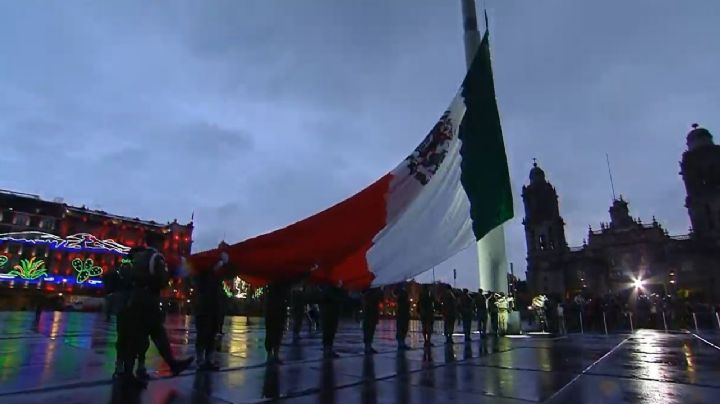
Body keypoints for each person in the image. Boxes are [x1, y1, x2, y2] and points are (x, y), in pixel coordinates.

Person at [124, 234, 194, 386]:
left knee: (138, 336)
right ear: (156, 242)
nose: (164, 246)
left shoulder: (138, 257)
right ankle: (173, 365)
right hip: (149, 300)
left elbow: (130, 276)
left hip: (135, 298)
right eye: (162, 242)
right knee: (157, 333)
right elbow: (161, 281)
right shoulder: (156, 257)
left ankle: (128, 370)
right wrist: (173, 273)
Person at [192, 245, 231, 371]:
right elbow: (210, 274)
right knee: (203, 334)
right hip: (204, 307)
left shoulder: (213, 275)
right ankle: (200, 359)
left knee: (211, 335)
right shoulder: (203, 273)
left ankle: (207, 359)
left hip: (212, 306)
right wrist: (220, 262)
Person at [264, 280, 292, 363]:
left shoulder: (275, 282)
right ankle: (273, 354)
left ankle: (272, 354)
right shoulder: (281, 283)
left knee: (274, 331)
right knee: (275, 331)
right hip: (276, 308)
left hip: (276, 308)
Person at [321, 281, 345, 358]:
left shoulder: (336, 286)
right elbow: (328, 296)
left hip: (334, 310)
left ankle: (329, 348)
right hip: (329, 311)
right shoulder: (328, 287)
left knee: (332, 330)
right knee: (328, 330)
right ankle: (327, 349)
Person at [362, 287, 383, 353]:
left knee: (371, 330)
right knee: (369, 330)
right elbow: (378, 297)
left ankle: (368, 346)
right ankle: (367, 347)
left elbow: (381, 298)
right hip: (370, 314)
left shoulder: (370, 292)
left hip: (371, 314)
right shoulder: (369, 293)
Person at [395, 284, 411, 349]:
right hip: (402, 314)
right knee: (401, 328)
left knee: (404, 328)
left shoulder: (403, 293)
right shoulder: (400, 294)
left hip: (404, 314)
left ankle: (402, 342)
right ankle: (401, 343)